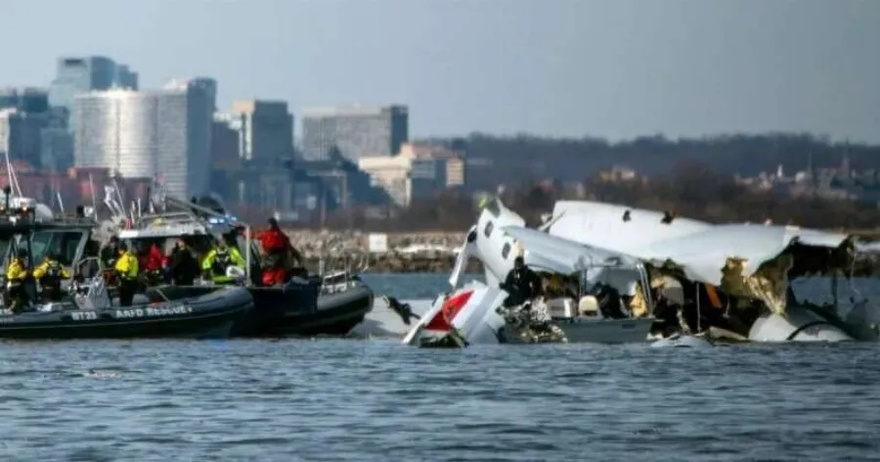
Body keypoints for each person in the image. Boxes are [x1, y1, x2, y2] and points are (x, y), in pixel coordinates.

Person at [113, 242, 139, 307]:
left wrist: (118, 274)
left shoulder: (125, 258)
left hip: (126, 282)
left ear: (121, 250)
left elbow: (125, 270)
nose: (118, 252)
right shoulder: (133, 257)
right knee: (129, 300)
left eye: (119, 250)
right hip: (133, 280)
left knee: (124, 301)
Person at [5, 248, 30, 313]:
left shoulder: (21, 263)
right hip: (14, 282)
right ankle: (11, 308)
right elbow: (11, 276)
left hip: (18, 282)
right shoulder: (15, 265)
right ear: (21, 256)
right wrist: (24, 274)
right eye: (24, 257)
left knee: (23, 295)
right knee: (19, 297)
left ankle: (21, 306)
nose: (25, 258)